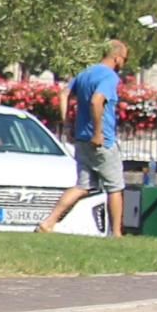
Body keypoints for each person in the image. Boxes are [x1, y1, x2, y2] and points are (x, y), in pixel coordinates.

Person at [38, 39, 126, 236]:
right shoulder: (109, 76)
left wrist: (67, 123)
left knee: (83, 185)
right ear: (116, 56)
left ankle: (48, 222)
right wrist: (97, 132)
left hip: (81, 139)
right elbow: (97, 101)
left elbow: (64, 94)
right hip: (102, 141)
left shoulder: (86, 72)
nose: (123, 64)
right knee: (116, 187)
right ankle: (117, 234)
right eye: (124, 59)